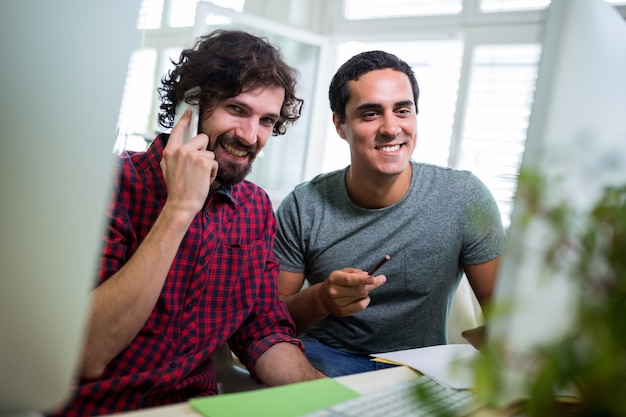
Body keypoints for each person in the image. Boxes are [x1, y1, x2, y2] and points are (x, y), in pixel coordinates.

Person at [52, 29, 325, 417]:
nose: (251, 136)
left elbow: (263, 332)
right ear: (189, 106)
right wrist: (180, 209)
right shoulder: (104, 185)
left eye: (267, 120)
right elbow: (86, 353)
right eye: (237, 109)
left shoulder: (253, 209)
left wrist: (333, 401)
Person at [273, 50, 506, 377]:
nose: (390, 128)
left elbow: (505, 314)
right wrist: (322, 298)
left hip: (420, 368)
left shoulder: (463, 196)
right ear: (340, 125)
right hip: (325, 358)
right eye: (370, 114)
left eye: (402, 110)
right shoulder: (303, 205)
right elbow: (269, 324)